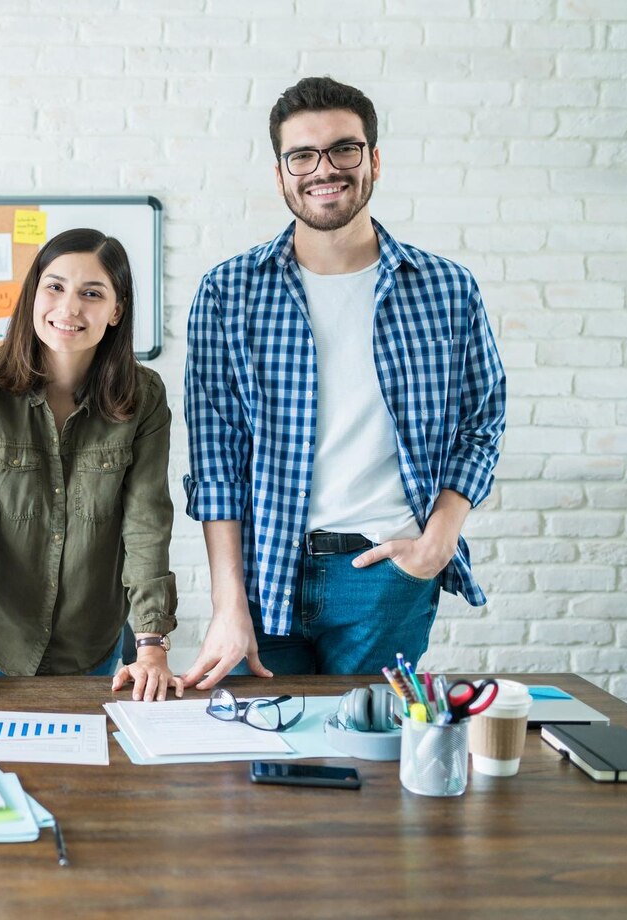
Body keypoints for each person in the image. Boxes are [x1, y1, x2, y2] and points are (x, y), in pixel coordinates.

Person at [183, 76, 505, 688]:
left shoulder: (446, 289)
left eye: (343, 149)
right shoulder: (228, 292)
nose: (323, 169)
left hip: (385, 575)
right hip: (263, 574)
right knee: (253, 746)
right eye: (302, 155)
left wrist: (437, 543)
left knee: (369, 747)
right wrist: (228, 604)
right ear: (280, 174)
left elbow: (481, 423)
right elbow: (216, 459)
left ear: (373, 160)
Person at [0, 229, 180, 708]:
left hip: (92, 644)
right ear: (34, 294)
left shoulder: (144, 398)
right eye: (55, 287)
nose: (69, 308)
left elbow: (147, 523)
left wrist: (151, 645)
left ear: (116, 310)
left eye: (92, 293)